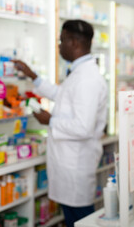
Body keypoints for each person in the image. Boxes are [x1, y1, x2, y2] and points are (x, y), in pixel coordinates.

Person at [13, 20, 108, 227]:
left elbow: (83, 127)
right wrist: (33, 77)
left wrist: (51, 121)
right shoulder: (79, 73)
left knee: (82, 220)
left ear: (74, 43)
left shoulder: (87, 79)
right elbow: (63, 95)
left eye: (62, 40)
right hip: (69, 166)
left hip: (75, 167)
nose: (59, 45)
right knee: (76, 219)